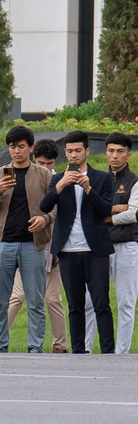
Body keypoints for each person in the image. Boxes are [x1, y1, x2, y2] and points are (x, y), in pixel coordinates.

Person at [44, 133, 115, 354]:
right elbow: (44, 206)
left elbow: (106, 210)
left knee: (101, 303)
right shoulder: (57, 180)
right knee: (75, 306)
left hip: (95, 249)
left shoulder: (102, 178)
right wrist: (60, 186)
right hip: (67, 250)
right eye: (69, 151)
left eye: (77, 150)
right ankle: (77, 352)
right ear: (65, 153)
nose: (73, 155)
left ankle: (107, 352)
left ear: (87, 151)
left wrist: (88, 189)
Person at [0, 126, 47, 352]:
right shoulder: (1, 173)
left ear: (31, 148)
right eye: (12, 147)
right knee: (1, 301)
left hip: (33, 245)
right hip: (4, 244)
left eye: (21, 147)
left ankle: (35, 346)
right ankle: (1, 346)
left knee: (36, 301)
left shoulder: (44, 175)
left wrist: (45, 219)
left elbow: (57, 207)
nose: (16, 151)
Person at [102, 135, 138, 352]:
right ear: (105, 153)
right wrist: (120, 207)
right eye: (111, 151)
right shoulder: (98, 179)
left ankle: (122, 352)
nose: (115, 155)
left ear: (128, 154)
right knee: (92, 301)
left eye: (120, 151)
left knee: (126, 302)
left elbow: (136, 213)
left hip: (126, 245)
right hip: (100, 245)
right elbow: (91, 209)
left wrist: (108, 216)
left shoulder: (136, 182)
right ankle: (87, 351)